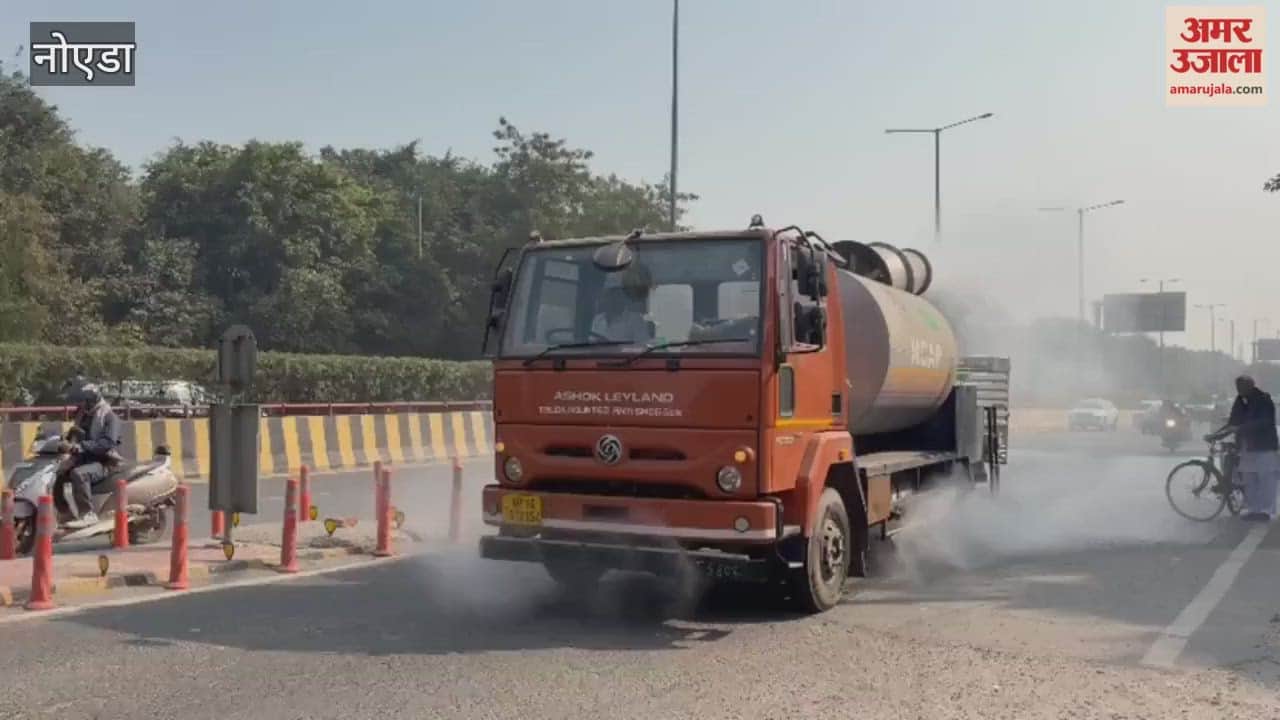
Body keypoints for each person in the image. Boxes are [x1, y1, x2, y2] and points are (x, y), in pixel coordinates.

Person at [1205, 375, 1279, 522]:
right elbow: (1233, 422)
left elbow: (1264, 422)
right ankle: (1253, 509)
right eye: (1238, 387)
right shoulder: (1240, 401)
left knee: (1265, 479)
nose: (1240, 390)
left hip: (1263, 446)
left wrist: (1240, 428)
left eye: (1242, 386)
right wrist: (1216, 435)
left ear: (1251, 386)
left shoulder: (1264, 400)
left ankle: (1266, 510)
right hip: (1247, 447)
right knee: (1249, 479)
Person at [61, 384, 122, 529]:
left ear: (92, 400)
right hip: (84, 459)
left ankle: (88, 514)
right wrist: (62, 441)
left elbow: (107, 443)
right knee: (58, 472)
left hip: (104, 462)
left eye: (84, 401)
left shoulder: (109, 417)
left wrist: (81, 447)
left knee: (79, 474)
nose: (81, 404)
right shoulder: (83, 415)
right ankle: (65, 513)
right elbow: (74, 434)